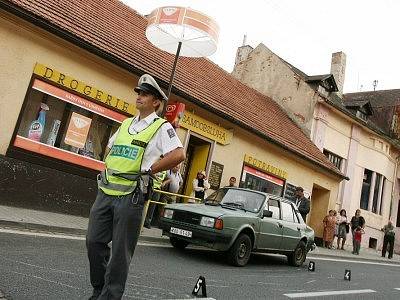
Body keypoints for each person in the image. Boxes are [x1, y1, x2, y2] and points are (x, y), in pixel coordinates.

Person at [86, 74, 185, 300]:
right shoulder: (126, 123)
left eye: (145, 94)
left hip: (131, 196)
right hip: (106, 190)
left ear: (156, 102)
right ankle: (99, 288)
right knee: (94, 242)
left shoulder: (161, 127)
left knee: (120, 253)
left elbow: (179, 154)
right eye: (138, 93)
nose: (139, 97)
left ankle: (109, 297)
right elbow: (110, 148)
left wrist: (151, 170)